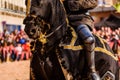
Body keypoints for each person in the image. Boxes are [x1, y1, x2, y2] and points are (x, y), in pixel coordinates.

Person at [63, 0, 100, 80]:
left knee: (89, 40)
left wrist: (73, 4)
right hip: (62, 21)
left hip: (81, 20)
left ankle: (91, 71)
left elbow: (94, 2)